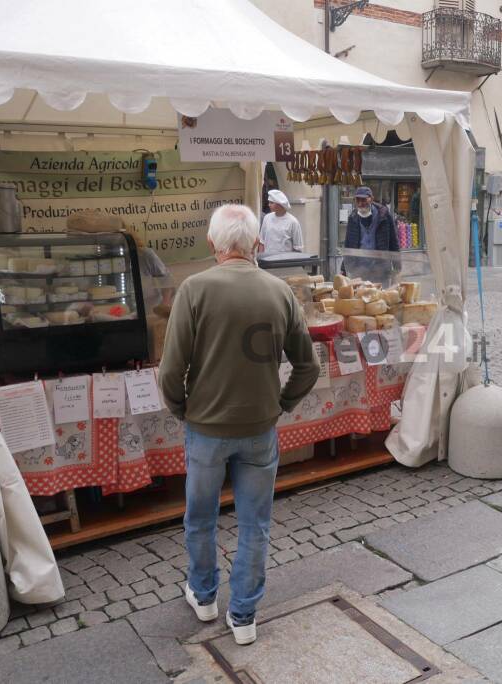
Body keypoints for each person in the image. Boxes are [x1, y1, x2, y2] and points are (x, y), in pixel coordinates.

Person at [158, 204, 320, 645]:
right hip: (259, 430)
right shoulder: (280, 291)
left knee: (200, 517)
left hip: (206, 428)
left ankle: (205, 596)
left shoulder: (194, 290)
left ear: (213, 245)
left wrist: (181, 409)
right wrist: (281, 404)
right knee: (255, 524)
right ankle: (244, 615)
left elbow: (170, 371)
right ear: (258, 244)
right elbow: (308, 367)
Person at [344, 186, 399, 285]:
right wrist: (344, 269)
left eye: (364, 200)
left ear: (372, 199)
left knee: (382, 297)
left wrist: (397, 268)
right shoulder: (353, 218)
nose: (360, 203)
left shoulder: (384, 216)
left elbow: (393, 241)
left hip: (380, 270)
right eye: (358, 200)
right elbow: (348, 244)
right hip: (360, 271)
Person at [259, 189, 304, 255]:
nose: (269, 205)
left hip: (284, 262)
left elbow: (298, 248)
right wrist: (261, 259)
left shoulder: (293, 222)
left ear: (280, 204)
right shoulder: (267, 218)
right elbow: (262, 242)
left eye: (271, 203)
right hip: (268, 261)